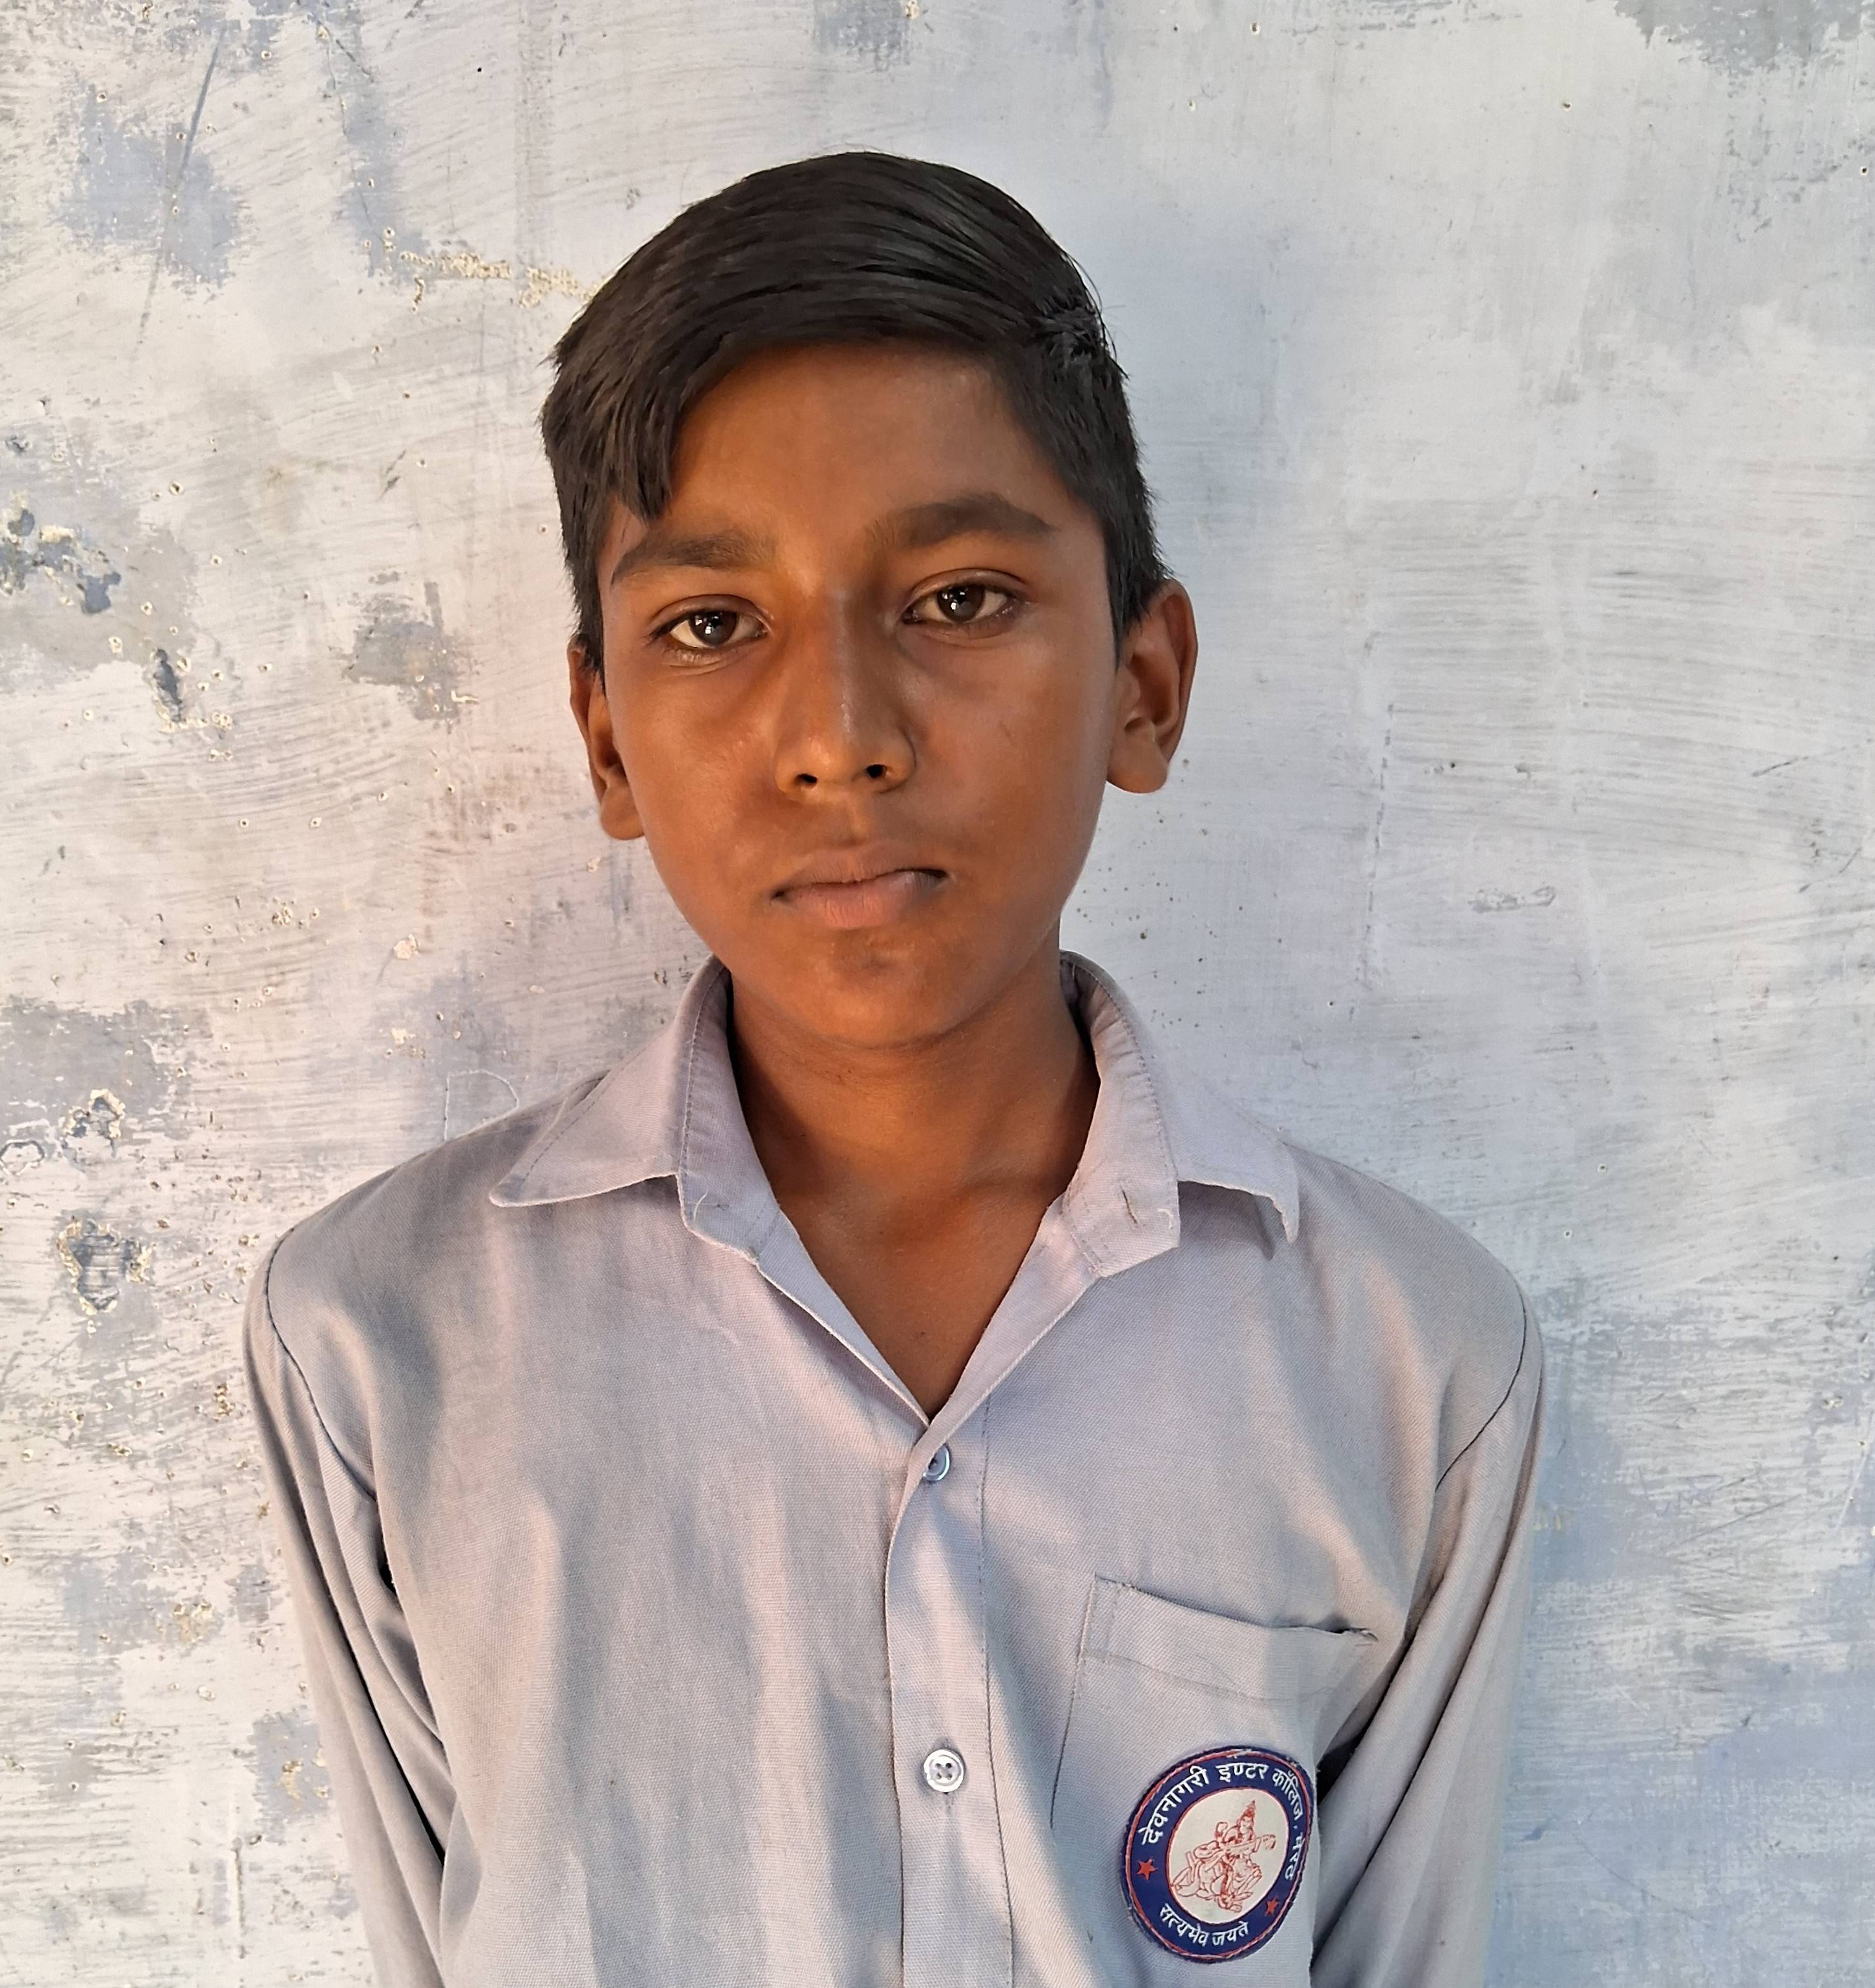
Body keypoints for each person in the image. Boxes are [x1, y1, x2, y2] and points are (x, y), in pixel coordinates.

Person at [244, 150, 1543, 1987]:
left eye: (957, 599)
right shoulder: (382, 1342)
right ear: (606, 740)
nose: (840, 737)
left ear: (1144, 685)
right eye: (712, 624)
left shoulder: (1404, 1360)